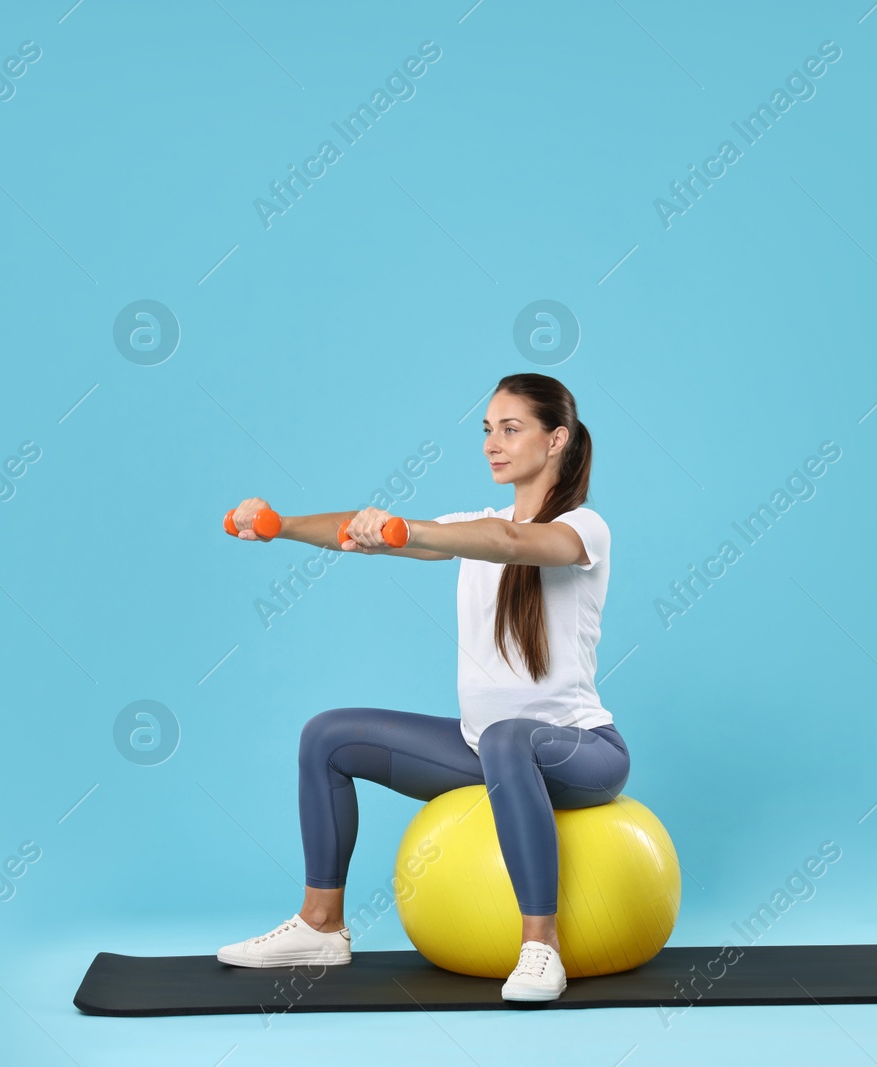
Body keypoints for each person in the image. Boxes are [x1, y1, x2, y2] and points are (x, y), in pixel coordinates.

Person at [216, 373, 629, 1002]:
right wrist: (281, 525)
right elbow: (364, 532)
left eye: (511, 429)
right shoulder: (473, 525)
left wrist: (411, 531)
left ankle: (540, 947)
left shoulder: (584, 528)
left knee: (510, 738)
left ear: (557, 440)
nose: (493, 442)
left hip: (582, 752)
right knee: (327, 736)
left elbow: (514, 543)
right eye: (487, 430)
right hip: (482, 750)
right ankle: (321, 924)